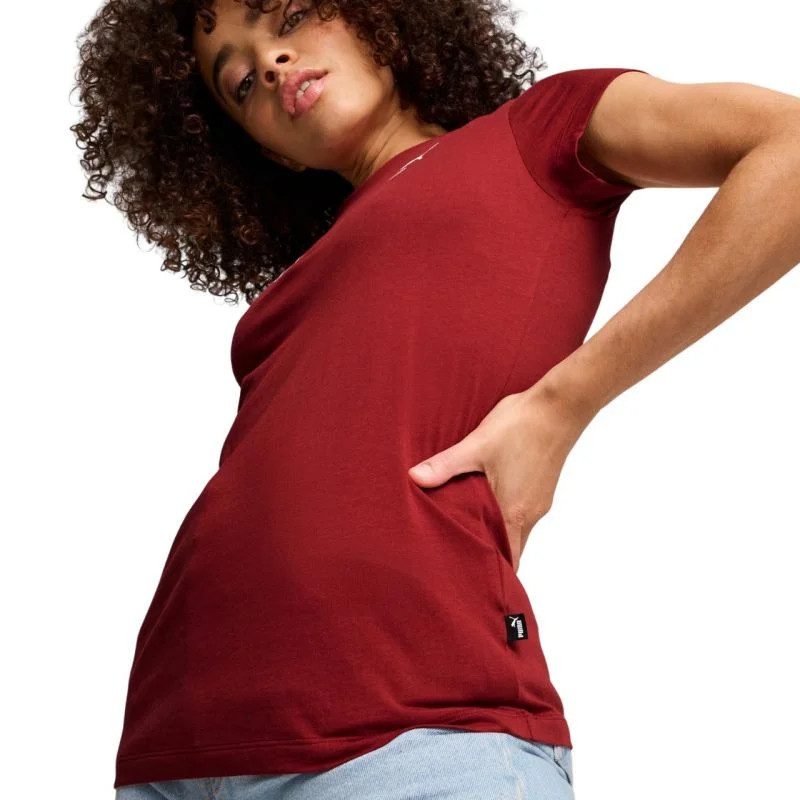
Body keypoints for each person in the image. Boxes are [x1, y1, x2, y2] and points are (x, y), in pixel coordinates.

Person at [72, 0, 800, 798]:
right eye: (240, 82)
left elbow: (790, 145)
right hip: (177, 746)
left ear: (378, 16)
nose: (270, 65)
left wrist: (565, 403)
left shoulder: (535, 133)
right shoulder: (304, 280)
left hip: (410, 728)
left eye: (290, 16)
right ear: (271, 153)